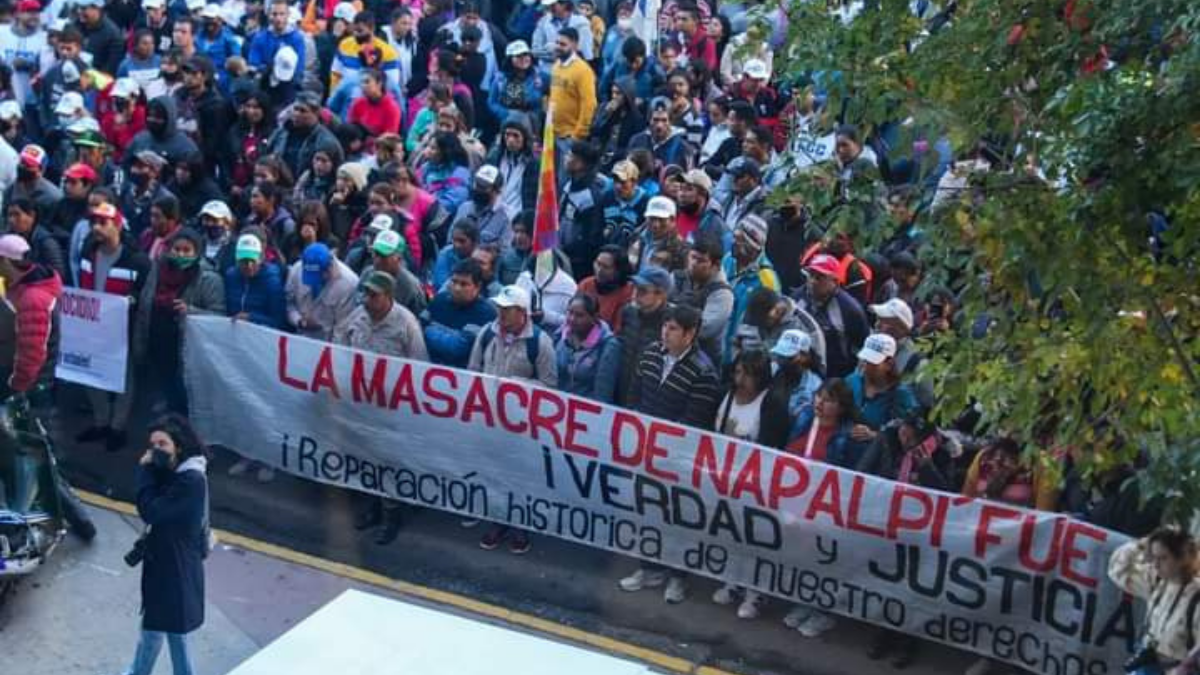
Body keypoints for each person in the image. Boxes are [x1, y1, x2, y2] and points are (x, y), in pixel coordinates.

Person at [618, 304, 719, 603]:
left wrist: (664, 445)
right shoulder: (650, 354)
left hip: (678, 461)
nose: (665, 332)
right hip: (644, 452)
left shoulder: (703, 372)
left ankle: (678, 576)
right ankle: (649, 568)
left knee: (676, 518)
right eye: (665, 326)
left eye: (673, 328)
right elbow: (634, 396)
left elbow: (694, 421)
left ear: (691, 334)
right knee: (645, 512)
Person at [337, 270, 429, 545]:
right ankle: (372, 507)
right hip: (361, 402)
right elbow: (339, 346)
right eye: (365, 293)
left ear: (388, 297)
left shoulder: (406, 324)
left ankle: (392, 516)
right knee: (366, 459)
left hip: (391, 408)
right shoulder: (357, 317)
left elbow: (419, 364)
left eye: (373, 295)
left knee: (388, 463)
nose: (367, 299)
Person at [469, 284, 556, 554]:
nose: (500, 314)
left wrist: (515, 387)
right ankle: (497, 521)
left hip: (521, 425)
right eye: (499, 308)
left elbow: (550, 387)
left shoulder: (540, 343)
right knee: (494, 473)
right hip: (489, 420)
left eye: (506, 310)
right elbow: (472, 371)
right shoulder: (487, 334)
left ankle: (521, 525)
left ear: (522, 313)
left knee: (519, 477)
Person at [122, 414, 209, 675]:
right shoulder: (176, 472)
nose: (156, 450)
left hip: (173, 569)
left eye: (163, 444)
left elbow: (152, 511)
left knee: (155, 631)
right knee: (173, 631)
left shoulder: (190, 481)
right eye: (153, 445)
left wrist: (146, 471)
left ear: (178, 446)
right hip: (170, 565)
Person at [709, 348, 787, 619]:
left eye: (749, 374)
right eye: (739, 372)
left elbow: (773, 447)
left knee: (753, 539)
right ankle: (732, 582)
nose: (741, 379)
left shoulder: (771, 403)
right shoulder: (725, 395)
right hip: (723, 477)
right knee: (730, 534)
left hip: (754, 483)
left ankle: (755, 592)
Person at [75, 203, 151, 453]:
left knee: (123, 379)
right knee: (90, 375)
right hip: (91, 327)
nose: (96, 227)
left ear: (117, 225)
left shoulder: (138, 260)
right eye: (93, 222)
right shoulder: (88, 251)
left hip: (121, 330)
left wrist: (132, 302)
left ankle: (118, 428)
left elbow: (144, 295)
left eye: (102, 222)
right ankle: (101, 422)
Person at [133, 228, 225, 415]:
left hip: (186, 348)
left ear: (197, 252)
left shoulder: (209, 278)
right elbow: (146, 298)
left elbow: (219, 316)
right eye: (177, 249)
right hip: (158, 340)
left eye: (186, 250)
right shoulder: (158, 269)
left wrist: (191, 312)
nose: (180, 254)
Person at [1108, 528, 1200, 675]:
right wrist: (1141, 545)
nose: (1156, 564)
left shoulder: (1196, 596)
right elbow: (1117, 570)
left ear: (1182, 558)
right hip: (1146, 664)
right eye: (1154, 557)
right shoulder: (1157, 581)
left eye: (1163, 558)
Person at [0, 234, 61, 397]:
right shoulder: (19, 285)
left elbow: (31, 353)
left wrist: (16, 386)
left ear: (5, 261)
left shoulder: (33, 299)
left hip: (30, 386)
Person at [793, 253, 870, 379]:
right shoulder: (797, 298)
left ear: (835, 280)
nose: (812, 281)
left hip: (835, 376)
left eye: (820, 277)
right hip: (800, 370)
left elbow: (862, 346)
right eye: (811, 275)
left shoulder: (850, 310)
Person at [720, 214, 780, 363]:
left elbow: (770, 325)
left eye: (739, 240)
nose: (733, 243)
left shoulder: (767, 279)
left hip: (740, 355)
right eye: (734, 237)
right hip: (717, 346)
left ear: (753, 245)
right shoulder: (728, 260)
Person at [421, 258, 497, 368]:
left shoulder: (486, 313)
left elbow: (457, 349)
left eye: (464, 284)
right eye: (454, 281)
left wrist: (429, 331)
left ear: (478, 287)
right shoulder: (439, 300)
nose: (457, 288)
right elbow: (418, 329)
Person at [672, 236, 732, 365]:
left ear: (716, 265)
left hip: (703, 361)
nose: (694, 264)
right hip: (672, 350)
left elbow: (703, 329)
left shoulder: (723, 294)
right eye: (692, 257)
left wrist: (676, 310)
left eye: (701, 261)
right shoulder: (679, 277)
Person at [285, 242, 359, 341]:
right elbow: (288, 303)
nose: (312, 283)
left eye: (317, 275)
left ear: (329, 267)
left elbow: (342, 330)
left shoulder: (349, 284)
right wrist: (299, 321)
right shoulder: (296, 270)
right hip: (298, 338)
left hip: (326, 345)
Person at [556, 293, 620, 402]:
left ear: (594, 318)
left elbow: (603, 394)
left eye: (579, 315)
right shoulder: (560, 335)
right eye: (570, 313)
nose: (572, 319)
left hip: (586, 411)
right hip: (559, 406)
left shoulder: (609, 346)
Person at [547, 27, 597, 143]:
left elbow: (589, 105)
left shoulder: (583, 70)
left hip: (570, 136)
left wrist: (579, 134)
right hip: (553, 133)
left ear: (574, 45)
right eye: (557, 43)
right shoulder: (556, 66)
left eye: (563, 44)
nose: (558, 47)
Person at [6, 198, 66, 281]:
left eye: (17, 214)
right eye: (9, 215)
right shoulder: (9, 238)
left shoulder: (47, 242)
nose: (11, 220)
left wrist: (28, 268)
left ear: (32, 215)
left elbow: (58, 274)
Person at [576, 244, 633, 332]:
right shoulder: (585, 284)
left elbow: (617, 330)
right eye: (598, 264)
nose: (599, 270)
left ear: (619, 271)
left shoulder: (627, 292)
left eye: (606, 267)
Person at [455, 165, 513, 250]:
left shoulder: (507, 216)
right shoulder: (464, 208)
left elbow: (505, 249)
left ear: (496, 190)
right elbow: (451, 238)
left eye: (484, 187)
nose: (479, 189)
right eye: (477, 185)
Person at [598, 159, 648, 249]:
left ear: (634, 182)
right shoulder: (607, 196)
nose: (617, 186)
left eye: (623, 182)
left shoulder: (645, 203)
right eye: (615, 180)